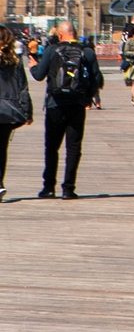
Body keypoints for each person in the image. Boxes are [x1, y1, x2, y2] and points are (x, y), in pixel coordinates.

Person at [31, 21, 102, 199]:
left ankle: (48, 187)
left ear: (60, 35)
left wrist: (33, 65)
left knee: (52, 147)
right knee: (73, 147)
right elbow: (97, 80)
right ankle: (68, 188)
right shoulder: (87, 52)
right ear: (75, 33)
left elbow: (39, 75)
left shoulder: (51, 50)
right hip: (77, 105)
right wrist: (86, 98)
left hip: (55, 105)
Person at [0, 28, 31, 202]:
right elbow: (22, 88)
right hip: (8, 110)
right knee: (2, 149)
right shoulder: (15, 61)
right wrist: (27, 111)